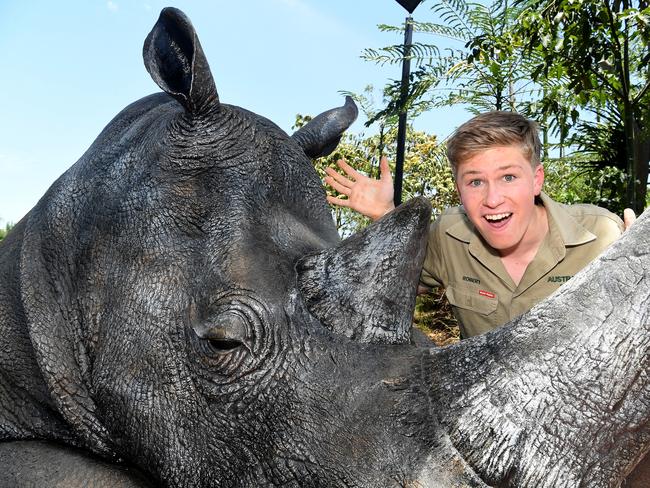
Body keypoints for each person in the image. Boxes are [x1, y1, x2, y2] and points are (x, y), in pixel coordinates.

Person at [324, 111, 636, 338]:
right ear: (459, 189)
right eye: (475, 182)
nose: (493, 199)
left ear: (537, 180)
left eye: (509, 177)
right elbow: (401, 279)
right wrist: (385, 214)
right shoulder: (449, 236)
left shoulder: (602, 237)